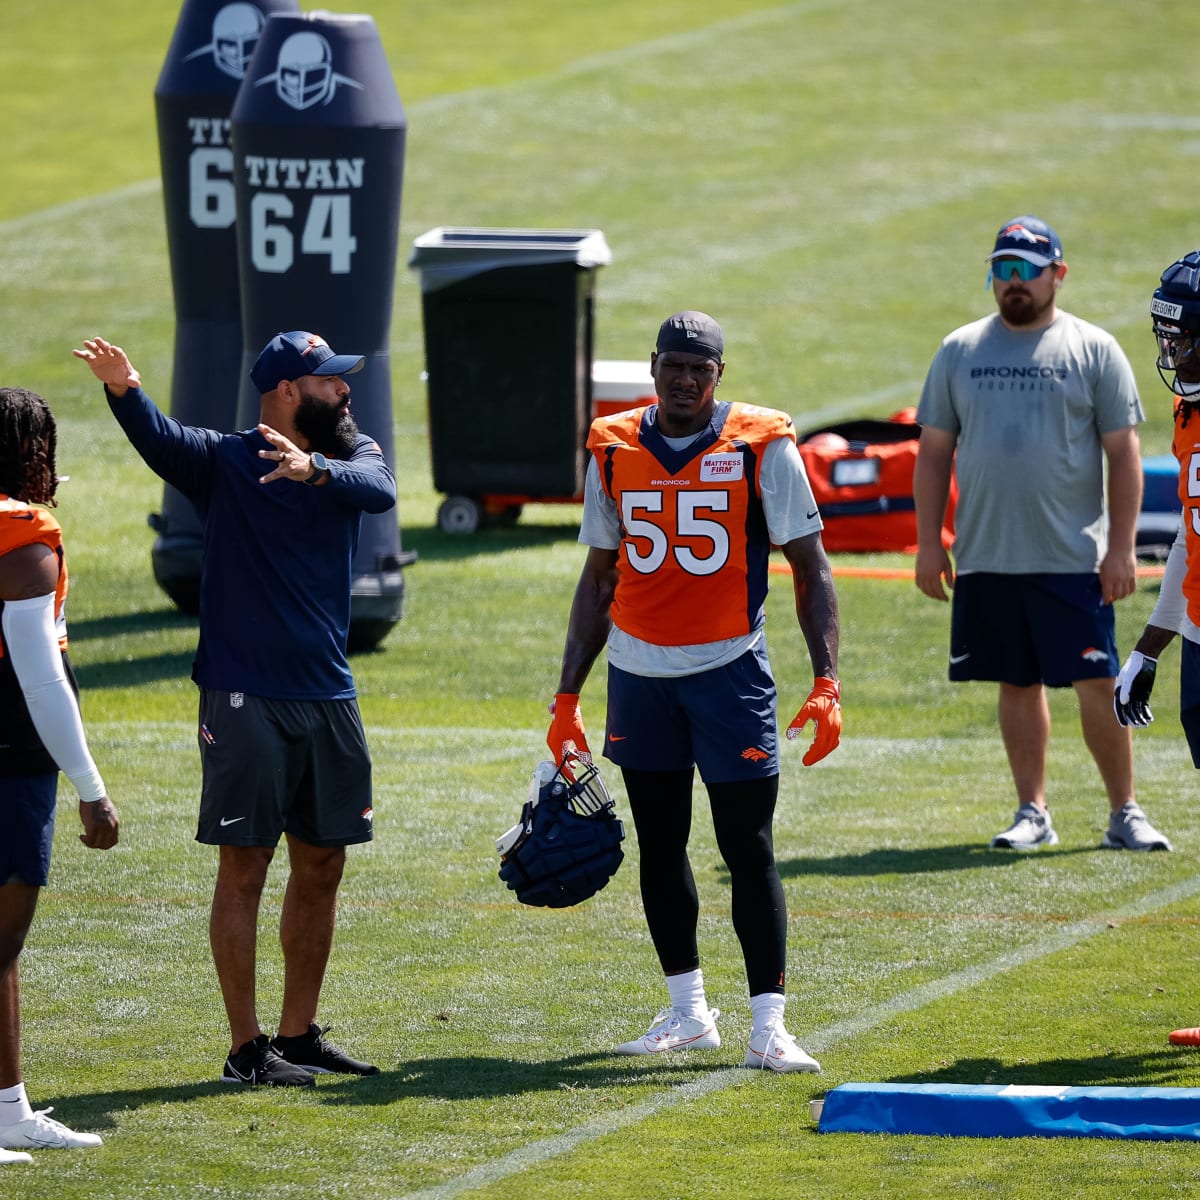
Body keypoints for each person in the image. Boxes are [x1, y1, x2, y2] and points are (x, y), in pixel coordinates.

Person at [74, 332, 394, 1087]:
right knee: (245, 867)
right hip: (245, 694)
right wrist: (125, 390)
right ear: (287, 390)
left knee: (323, 862)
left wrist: (312, 468)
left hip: (330, 694)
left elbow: (377, 490)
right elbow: (158, 440)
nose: (346, 392)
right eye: (329, 382)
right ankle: (246, 1048)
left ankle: (299, 1032)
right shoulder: (223, 459)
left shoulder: (353, 456)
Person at [547, 311, 841, 1074]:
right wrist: (566, 699)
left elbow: (811, 568)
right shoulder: (612, 449)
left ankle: (769, 1025)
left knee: (748, 847)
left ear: (720, 375)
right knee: (660, 844)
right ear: (653, 367)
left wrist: (827, 679)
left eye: (699, 370)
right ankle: (687, 1013)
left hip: (730, 673)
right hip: (640, 677)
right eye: (673, 365)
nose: (684, 380)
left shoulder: (760, 445)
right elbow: (599, 577)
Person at [914, 215, 1171, 852]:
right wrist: (927, 542)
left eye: (1026, 271)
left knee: (1098, 682)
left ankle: (1125, 812)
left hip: (1074, 556)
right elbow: (932, 453)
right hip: (986, 555)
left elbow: (1125, 454)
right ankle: (1032, 811)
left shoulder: (1094, 349)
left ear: (1057, 274)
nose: (1013, 283)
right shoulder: (959, 350)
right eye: (1002, 270)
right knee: (1016, 681)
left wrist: (1120, 548)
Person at [0, 387, 119, 1162]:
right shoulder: (24, 540)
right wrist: (92, 789)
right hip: (11, 758)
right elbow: (39, 681)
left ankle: (8, 1109)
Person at [1114, 250, 1200, 1042]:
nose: (1170, 351)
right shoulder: (1189, 412)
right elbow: (1189, 541)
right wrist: (1150, 646)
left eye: (1184, 335)